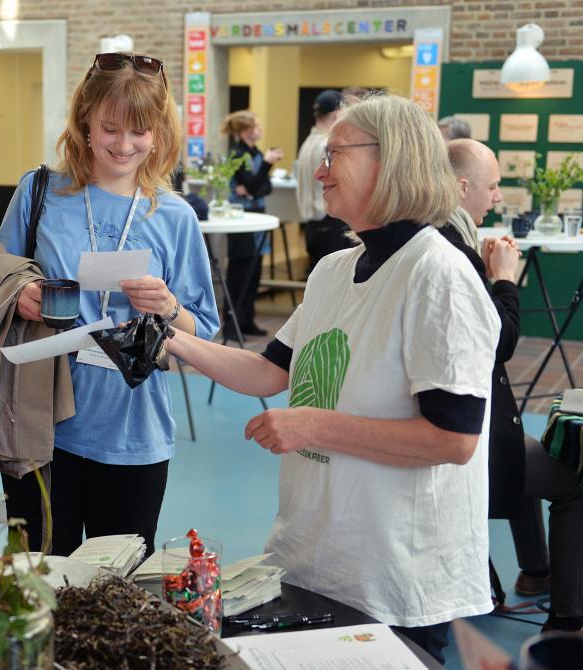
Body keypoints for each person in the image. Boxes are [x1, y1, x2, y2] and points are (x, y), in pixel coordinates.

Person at [165, 94, 500, 663]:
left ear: (389, 159)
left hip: (394, 575)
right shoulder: (334, 269)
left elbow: (454, 439)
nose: (318, 170)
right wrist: (169, 335)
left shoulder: (437, 274)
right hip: (315, 559)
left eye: (334, 154)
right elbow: (269, 371)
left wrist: (314, 427)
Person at [0, 52, 219, 557]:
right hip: (39, 424)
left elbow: (202, 333)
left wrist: (168, 306)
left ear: (159, 133)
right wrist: (20, 294)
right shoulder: (40, 192)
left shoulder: (176, 216)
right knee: (38, 580)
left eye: (140, 131)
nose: (124, 145)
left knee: (120, 595)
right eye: (111, 128)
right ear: (85, 123)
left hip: (135, 430)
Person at [447, 139, 583, 633]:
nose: (498, 198)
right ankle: (569, 619)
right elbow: (498, 342)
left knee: (532, 447)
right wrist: (504, 280)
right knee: (571, 486)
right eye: (493, 186)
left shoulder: (440, 237)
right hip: (469, 431)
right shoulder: (453, 249)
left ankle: (536, 571)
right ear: (463, 187)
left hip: (475, 421)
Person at [219, 110, 283, 339]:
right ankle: (232, 323)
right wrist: (265, 167)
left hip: (256, 213)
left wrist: (255, 185)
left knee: (254, 270)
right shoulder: (238, 154)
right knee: (240, 271)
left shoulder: (254, 153)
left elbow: (264, 188)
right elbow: (257, 186)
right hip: (241, 219)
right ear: (246, 130)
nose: (260, 130)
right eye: (257, 126)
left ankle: (246, 319)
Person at [294, 89, 357, 273]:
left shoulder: (307, 143)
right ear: (338, 114)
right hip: (328, 224)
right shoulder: (326, 145)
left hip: (312, 227)